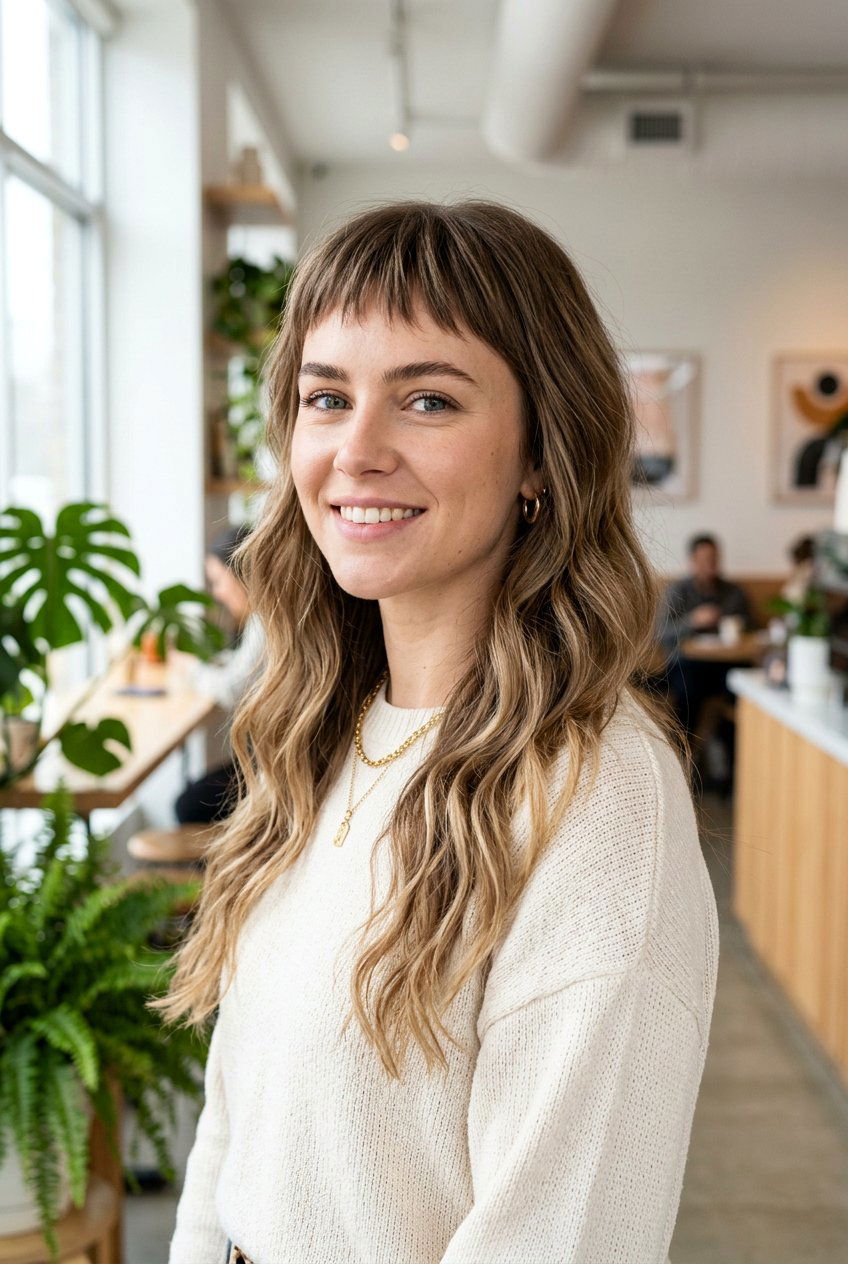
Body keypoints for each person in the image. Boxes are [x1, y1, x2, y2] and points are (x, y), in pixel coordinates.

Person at [158, 200, 719, 1264]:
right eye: (328, 397)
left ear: (541, 454)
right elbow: (238, 1127)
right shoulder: (323, 726)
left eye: (427, 400)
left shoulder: (597, 802)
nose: (356, 450)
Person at [173, 523, 263, 825]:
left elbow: (233, 689)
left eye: (218, 581)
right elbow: (245, 666)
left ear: (242, 574)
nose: (218, 593)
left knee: (188, 806)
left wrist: (191, 670)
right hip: (270, 759)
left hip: (271, 767)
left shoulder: (265, 621)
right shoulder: (264, 619)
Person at [657, 533, 754, 740]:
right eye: (704, 560)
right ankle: (682, 748)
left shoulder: (733, 592)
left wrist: (732, 625)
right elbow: (661, 633)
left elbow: (750, 627)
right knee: (688, 689)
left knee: (746, 682)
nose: (710, 564)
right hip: (686, 664)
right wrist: (692, 621)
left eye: (713, 559)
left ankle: (731, 748)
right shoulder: (678, 591)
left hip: (726, 663)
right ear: (692, 561)